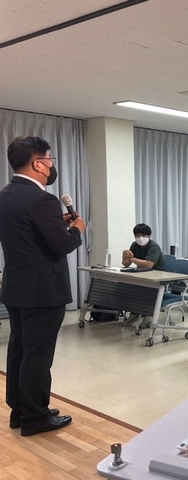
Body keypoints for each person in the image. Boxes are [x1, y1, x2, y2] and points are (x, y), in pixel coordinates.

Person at [0, 136, 85, 436]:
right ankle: (36, 416)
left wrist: (55, 224)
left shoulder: (5, 195)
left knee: (20, 349)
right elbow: (62, 245)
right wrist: (76, 229)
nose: (51, 165)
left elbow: (26, 236)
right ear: (38, 163)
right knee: (38, 354)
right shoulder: (43, 199)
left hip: (16, 286)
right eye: (49, 159)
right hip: (44, 291)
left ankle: (20, 410)